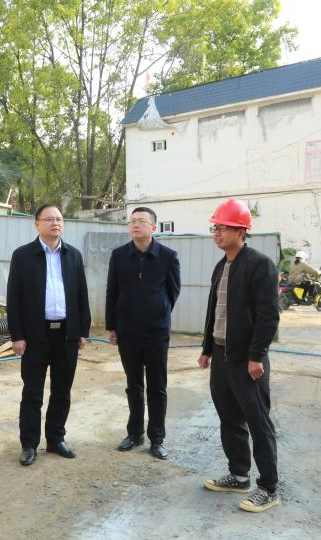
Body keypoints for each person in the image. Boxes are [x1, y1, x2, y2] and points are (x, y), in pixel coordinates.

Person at [197, 199, 281, 513]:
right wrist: (207, 349)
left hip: (247, 359)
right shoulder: (221, 265)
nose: (216, 233)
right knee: (229, 417)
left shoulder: (260, 265)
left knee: (258, 422)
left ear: (241, 230)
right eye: (215, 228)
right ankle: (239, 475)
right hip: (221, 356)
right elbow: (214, 311)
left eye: (223, 227)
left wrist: (257, 356)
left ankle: (269, 488)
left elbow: (268, 316)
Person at [7, 204, 91, 466]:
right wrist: (17, 335)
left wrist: (82, 331)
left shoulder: (73, 255)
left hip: (66, 334)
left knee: (62, 391)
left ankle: (56, 439)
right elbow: (14, 298)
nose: (55, 223)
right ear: (37, 224)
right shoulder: (23, 256)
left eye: (59, 219)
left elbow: (81, 295)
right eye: (49, 219)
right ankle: (29, 444)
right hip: (35, 336)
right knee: (32, 392)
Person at [106, 207, 180, 460]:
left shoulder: (167, 256)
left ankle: (157, 438)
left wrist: (159, 311)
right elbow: (112, 291)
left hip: (156, 332)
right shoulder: (119, 255)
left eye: (141, 221)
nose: (136, 225)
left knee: (157, 386)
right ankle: (135, 433)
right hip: (127, 332)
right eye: (132, 221)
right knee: (133, 384)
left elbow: (173, 291)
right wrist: (112, 326)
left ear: (153, 228)